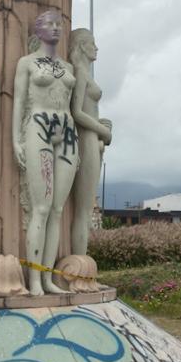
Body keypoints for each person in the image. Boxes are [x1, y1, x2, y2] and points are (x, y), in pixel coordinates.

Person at [12, 10, 77, 296]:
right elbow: (18, 102)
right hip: (38, 126)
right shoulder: (26, 63)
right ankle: (35, 280)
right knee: (41, 207)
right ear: (38, 30)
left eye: (58, 24)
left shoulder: (68, 67)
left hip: (67, 130)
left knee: (57, 210)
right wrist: (16, 139)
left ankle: (48, 277)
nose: (56, 28)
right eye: (49, 24)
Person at [68, 28, 112, 256]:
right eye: (92, 43)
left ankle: (80, 259)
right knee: (83, 211)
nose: (96, 47)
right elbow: (76, 112)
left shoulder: (83, 72)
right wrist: (102, 130)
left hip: (91, 137)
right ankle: (79, 261)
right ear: (82, 46)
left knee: (84, 210)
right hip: (86, 138)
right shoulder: (80, 72)